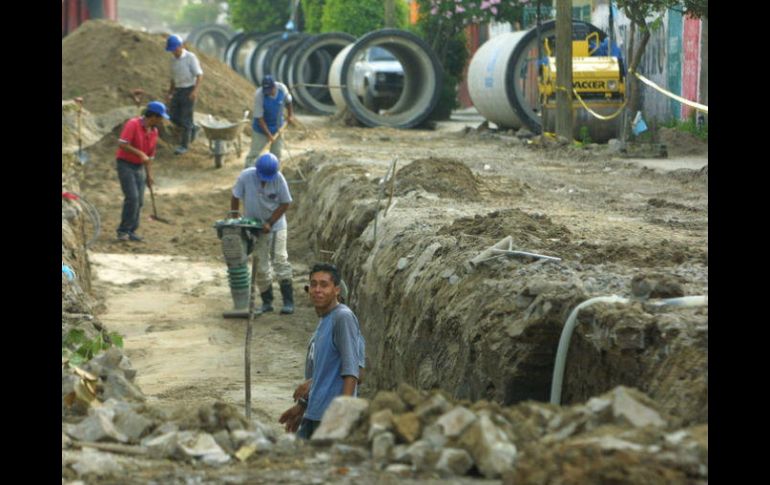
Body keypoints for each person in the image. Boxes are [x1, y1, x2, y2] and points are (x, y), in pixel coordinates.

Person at [279, 264, 363, 439]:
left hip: (330, 417)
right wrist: (302, 406)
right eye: (314, 284)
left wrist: (343, 414)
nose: (317, 290)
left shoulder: (343, 318)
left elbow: (353, 371)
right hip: (315, 414)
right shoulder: (325, 321)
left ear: (337, 290)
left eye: (324, 285)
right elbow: (325, 373)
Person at [230, 152, 295, 314]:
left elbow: (285, 203)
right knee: (260, 264)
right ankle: (267, 302)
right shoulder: (246, 176)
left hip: (277, 226)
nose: (265, 180)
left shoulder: (278, 178)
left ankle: (288, 302)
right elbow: (235, 195)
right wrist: (235, 217)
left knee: (280, 260)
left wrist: (270, 222)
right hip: (255, 228)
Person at [114, 101, 168, 242]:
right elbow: (122, 143)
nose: (162, 121)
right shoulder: (133, 124)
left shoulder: (154, 132)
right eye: (161, 118)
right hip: (125, 164)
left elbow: (149, 157)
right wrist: (140, 153)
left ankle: (131, 231)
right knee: (132, 198)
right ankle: (123, 231)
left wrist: (149, 175)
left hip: (139, 167)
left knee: (140, 201)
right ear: (153, 116)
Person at [244, 75, 294, 168]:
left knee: (276, 156)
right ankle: (248, 173)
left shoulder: (282, 89)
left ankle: (274, 177)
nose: (267, 93)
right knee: (254, 155)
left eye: (269, 91)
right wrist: (269, 135)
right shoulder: (259, 95)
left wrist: (290, 115)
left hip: (278, 128)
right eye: (266, 91)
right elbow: (260, 118)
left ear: (274, 87)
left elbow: (289, 101)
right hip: (261, 130)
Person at [165, 34, 203, 155]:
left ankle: (184, 145)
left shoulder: (190, 58)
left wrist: (195, 91)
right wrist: (170, 93)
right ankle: (193, 128)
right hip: (178, 90)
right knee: (173, 116)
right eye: (172, 50)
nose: (174, 52)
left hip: (189, 90)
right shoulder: (172, 61)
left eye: (175, 49)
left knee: (186, 119)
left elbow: (199, 75)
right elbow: (173, 78)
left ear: (181, 46)